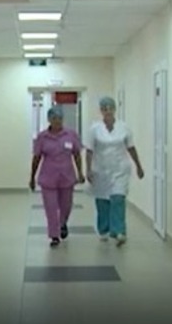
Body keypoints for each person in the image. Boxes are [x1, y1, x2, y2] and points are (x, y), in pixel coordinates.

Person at [84, 96, 144, 247]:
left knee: (118, 198)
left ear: (115, 109)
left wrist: (138, 166)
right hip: (101, 170)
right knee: (102, 201)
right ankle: (103, 230)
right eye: (105, 108)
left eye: (110, 108)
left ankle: (119, 232)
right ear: (101, 111)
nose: (108, 111)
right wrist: (88, 169)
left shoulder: (124, 127)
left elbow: (131, 147)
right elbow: (89, 151)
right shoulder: (95, 129)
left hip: (120, 169)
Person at [30, 106, 85, 247]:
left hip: (67, 176)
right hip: (48, 178)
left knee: (66, 206)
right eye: (54, 118)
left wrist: (80, 172)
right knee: (51, 207)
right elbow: (36, 158)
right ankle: (54, 235)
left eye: (60, 118)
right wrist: (32, 177)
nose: (57, 121)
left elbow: (77, 155)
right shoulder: (42, 137)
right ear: (49, 119)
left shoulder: (70, 135)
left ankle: (62, 223)